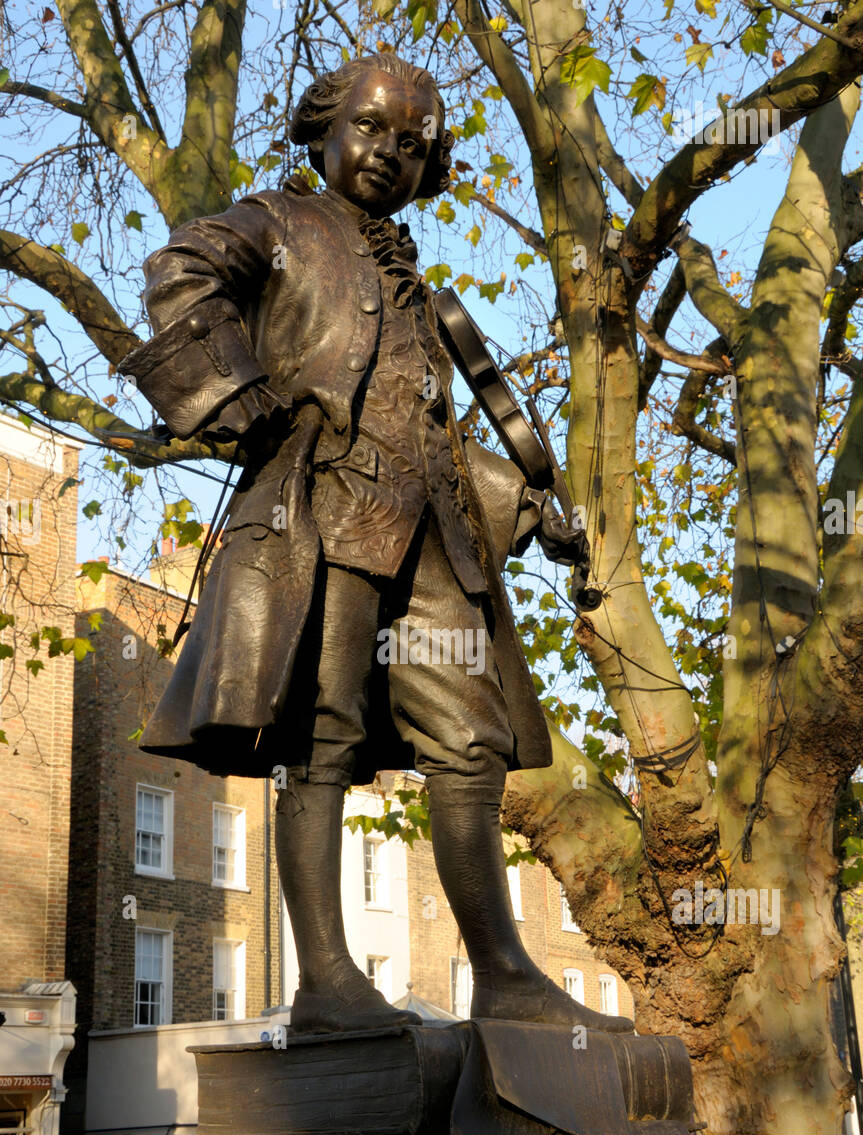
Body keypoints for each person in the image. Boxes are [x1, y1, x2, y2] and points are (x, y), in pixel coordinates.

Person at [120, 54, 633, 1035]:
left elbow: (438, 426)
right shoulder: (275, 223)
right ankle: (325, 980)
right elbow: (181, 270)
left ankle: (505, 974)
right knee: (320, 737)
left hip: (434, 534)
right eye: (368, 127)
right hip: (326, 516)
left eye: (411, 143)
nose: (388, 152)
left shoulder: (422, 292)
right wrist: (237, 395)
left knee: (469, 742)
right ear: (321, 128)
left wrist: (530, 506)